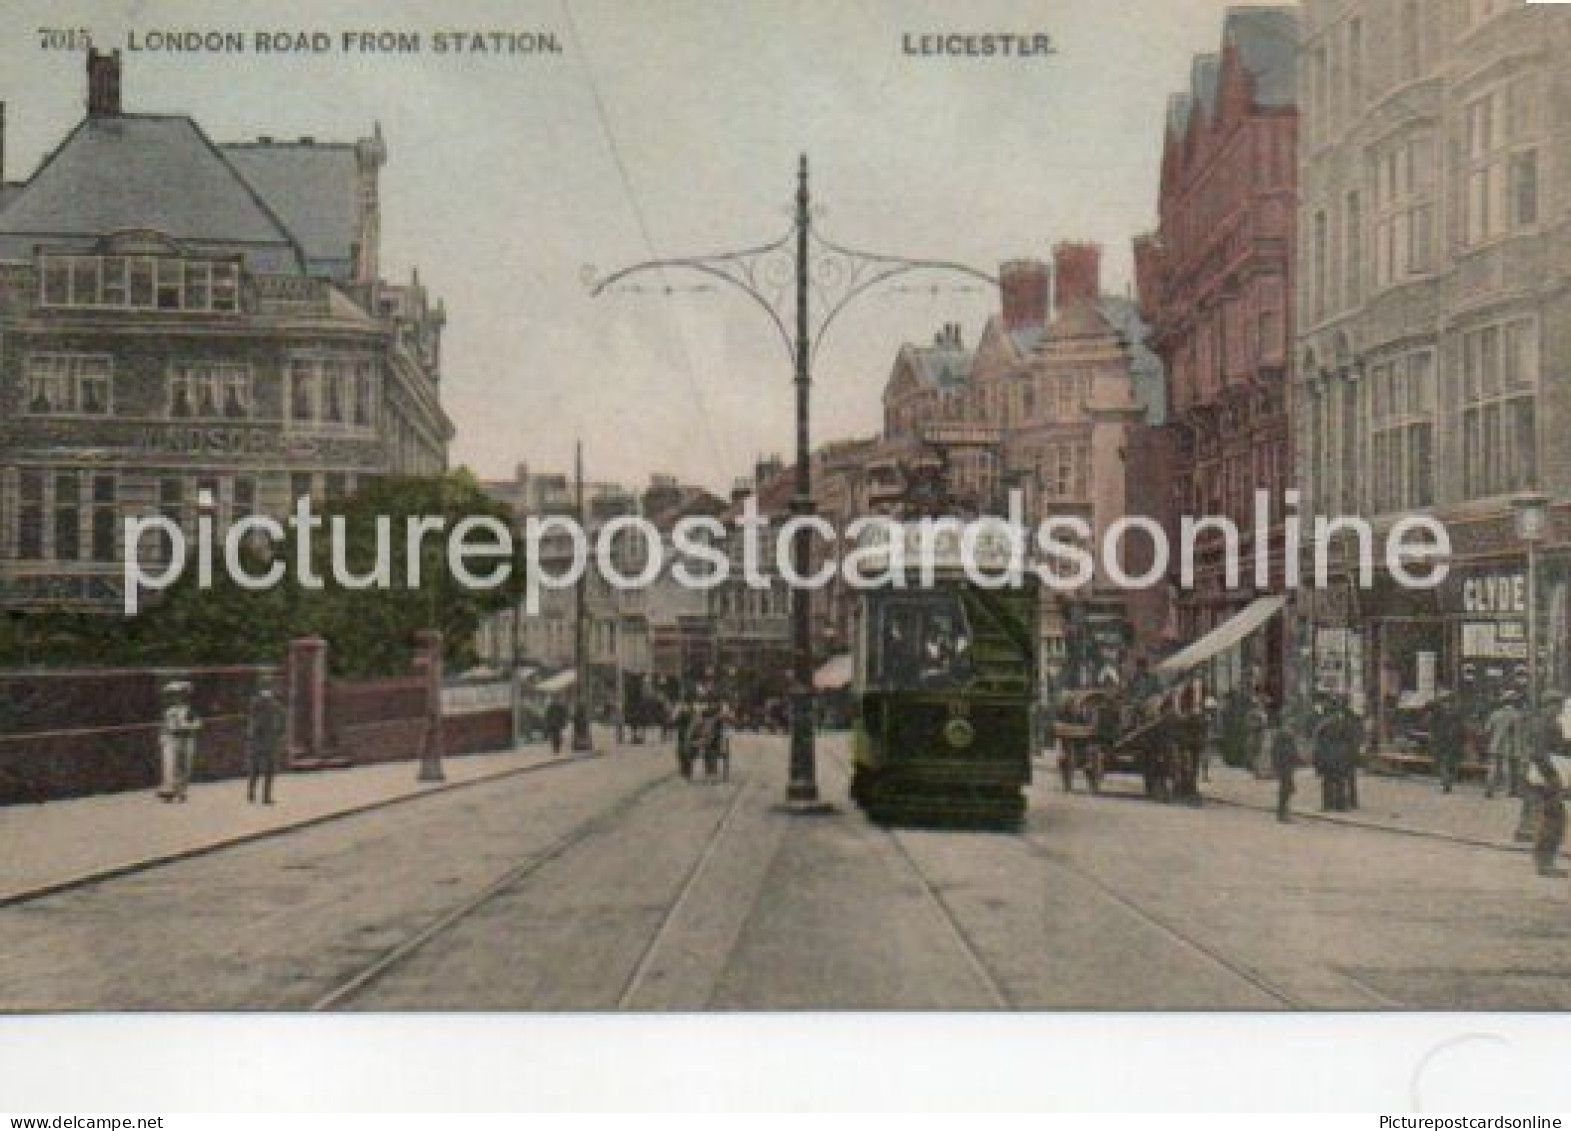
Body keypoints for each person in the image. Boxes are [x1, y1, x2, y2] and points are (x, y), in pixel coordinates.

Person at [156, 681, 201, 803]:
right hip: (171, 739)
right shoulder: (168, 711)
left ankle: (182, 790)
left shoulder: (190, 710)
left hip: (187, 739)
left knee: (185, 765)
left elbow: (198, 724)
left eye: (181, 694)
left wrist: (187, 726)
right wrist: (162, 737)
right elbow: (165, 726)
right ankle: (169, 790)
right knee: (170, 764)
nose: (178, 697)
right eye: (175, 695)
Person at [245, 676, 285, 805]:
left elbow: (252, 721)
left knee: (258, 769)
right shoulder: (273, 705)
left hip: (261, 741)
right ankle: (263, 796)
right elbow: (282, 722)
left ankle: (254, 793)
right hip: (267, 741)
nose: (268, 691)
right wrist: (279, 734)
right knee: (266, 769)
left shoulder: (257, 703)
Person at [1525, 753, 1566, 878]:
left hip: (1551, 770)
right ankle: (1545, 864)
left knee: (1556, 819)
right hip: (1550, 772)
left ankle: (1546, 862)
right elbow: (1539, 748)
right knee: (1554, 821)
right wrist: (1552, 777)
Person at [1483, 691, 1524, 800]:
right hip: (1510, 746)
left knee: (1493, 767)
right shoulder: (1517, 715)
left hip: (1495, 744)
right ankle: (1510, 790)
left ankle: (1489, 789)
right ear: (1513, 701)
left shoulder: (1495, 714)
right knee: (1507, 768)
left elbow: (1487, 730)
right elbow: (1519, 733)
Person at [1265, 703, 1300, 823]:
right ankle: (1283, 814)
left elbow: (1293, 750)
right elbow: (1276, 751)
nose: (1292, 723)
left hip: (1288, 765)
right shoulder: (1281, 735)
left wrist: (1297, 759)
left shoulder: (1288, 734)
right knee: (1286, 790)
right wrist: (1277, 765)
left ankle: (1284, 813)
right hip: (1284, 765)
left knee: (1288, 789)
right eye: (1290, 721)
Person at [1428, 692, 1465, 794]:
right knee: (1450, 763)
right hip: (1453, 742)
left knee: (1442, 763)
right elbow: (1461, 728)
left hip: (1442, 741)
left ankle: (1446, 782)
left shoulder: (1437, 712)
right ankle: (1448, 782)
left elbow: (1432, 728)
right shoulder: (1456, 713)